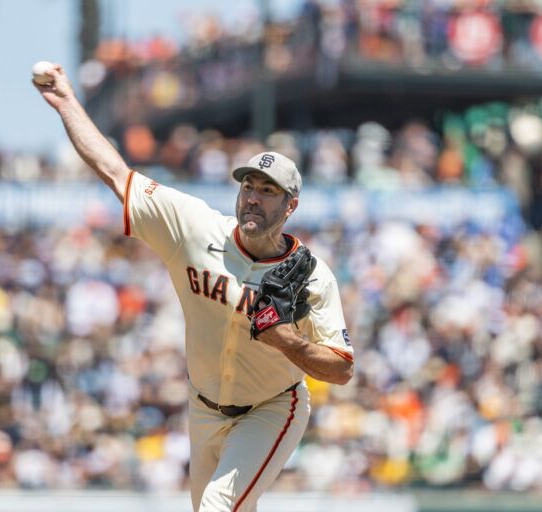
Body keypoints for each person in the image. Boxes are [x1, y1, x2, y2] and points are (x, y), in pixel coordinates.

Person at [34, 64, 354, 512]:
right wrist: (67, 103)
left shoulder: (312, 276)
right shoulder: (193, 226)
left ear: (290, 205)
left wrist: (287, 340)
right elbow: (114, 172)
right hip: (202, 406)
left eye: (268, 190)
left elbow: (341, 369)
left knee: (218, 506)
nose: (253, 197)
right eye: (248, 185)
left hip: (272, 408)